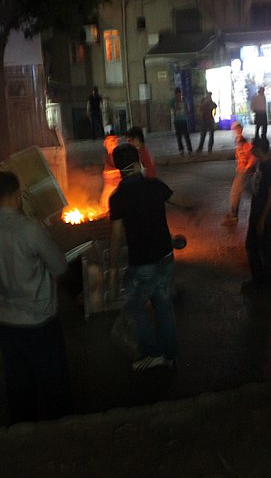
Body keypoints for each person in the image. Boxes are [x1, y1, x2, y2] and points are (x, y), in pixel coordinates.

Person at [0, 171, 73, 423]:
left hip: (5, 322)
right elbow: (60, 266)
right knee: (55, 389)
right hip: (39, 321)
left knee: (19, 391)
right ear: (18, 196)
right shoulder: (29, 229)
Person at [107, 143, 191, 371]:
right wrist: (195, 208)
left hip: (142, 262)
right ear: (137, 163)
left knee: (134, 307)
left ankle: (154, 352)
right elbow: (180, 201)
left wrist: (113, 268)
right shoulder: (155, 185)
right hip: (165, 256)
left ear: (118, 169)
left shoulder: (118, 197)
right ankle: (170, 354)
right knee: (163, 305)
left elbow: (116, 237)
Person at [243, 137, 271, 294]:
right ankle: (259, 281)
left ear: (259, 149)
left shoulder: (270, 168)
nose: (251, 150)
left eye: (253, 148)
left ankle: (267, 284)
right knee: (253, 246)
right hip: (256, 212)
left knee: (263, 248)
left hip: (263, 214)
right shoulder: (261, 164)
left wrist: (263, 219)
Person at [221, 122, 256, 226]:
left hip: (243, 171)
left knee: (235, 193)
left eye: (235, 129)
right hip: (241, 170)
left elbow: (253, 156)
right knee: (240, 192)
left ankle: (234, 215)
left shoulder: (244, 141)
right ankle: (234, 213)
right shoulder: (239, 140)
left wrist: (247, 167)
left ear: (239, 129)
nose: (234, 131)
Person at [100, 135, 121, 210]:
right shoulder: (108, 157)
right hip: (111, 188)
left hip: (116, 188)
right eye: (110, 144)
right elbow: (107, 173)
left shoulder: (117, 155)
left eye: (114, 143)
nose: (113, 145)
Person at [170, 87, 192, 156]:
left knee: (186, 135)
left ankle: (189, 149)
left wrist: (187, 109)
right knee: (179, 136)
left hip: (183, 120)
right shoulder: (173, 101)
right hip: (177, 121)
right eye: (177, 94)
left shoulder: (184, 100)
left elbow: (188, 110)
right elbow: (172, 110)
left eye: (179, 94)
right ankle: (181, 150)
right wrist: (177, 106)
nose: (178, 96)